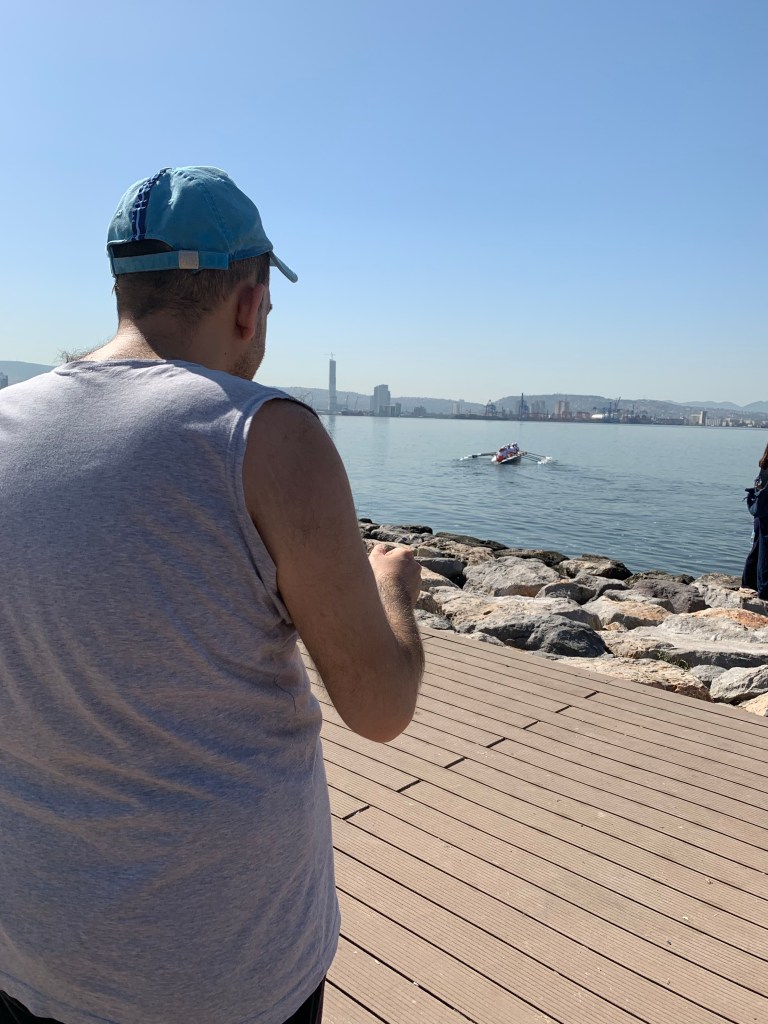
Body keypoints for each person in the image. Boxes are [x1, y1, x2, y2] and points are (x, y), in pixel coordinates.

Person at [0, 167, 424, 1024]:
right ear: (250, 303)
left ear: (123, 290)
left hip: (32, 945)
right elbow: (380, 707)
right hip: (220, 969)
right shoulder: (267, 434)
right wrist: (393, 591)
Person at [741, 441, 768, 599]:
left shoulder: (765, 465)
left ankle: (750, 584)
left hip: (761, 512)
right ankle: (761, 588)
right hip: (764, 512)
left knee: (759, 548)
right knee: (763, 551)